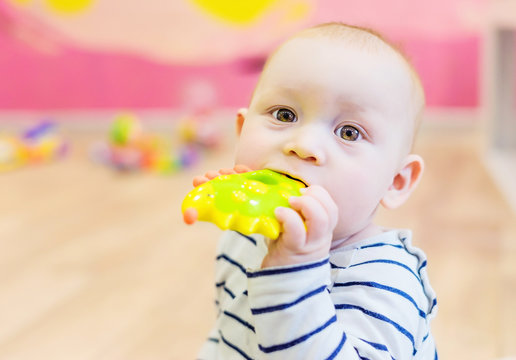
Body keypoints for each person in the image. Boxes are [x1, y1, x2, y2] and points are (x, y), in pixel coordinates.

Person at [185, 22, 438, 359]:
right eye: (284, 114)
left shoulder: (385, 281)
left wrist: (293, 271)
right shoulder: (244, 236)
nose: (303, 145)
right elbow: (229, 335)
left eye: (349, 132)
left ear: (396, 182)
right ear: (242, 131)